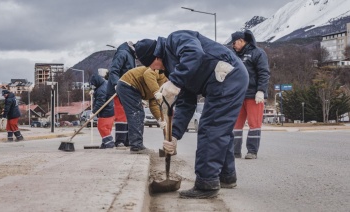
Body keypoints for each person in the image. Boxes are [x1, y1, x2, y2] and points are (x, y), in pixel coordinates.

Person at [134, 30, 249, 199]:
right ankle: (226, 176)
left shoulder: (175, 39)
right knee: (220, 128)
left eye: (153, 66)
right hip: (222, 81)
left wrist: (175, 81)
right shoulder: (173, 68)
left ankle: (207, 184)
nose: (156, 70)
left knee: (211, 127)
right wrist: (174, 135)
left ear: (156, 58)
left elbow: (195, 52)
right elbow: (186, 102)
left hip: (228, 76)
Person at [231, 30, 270, 159]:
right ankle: (235, 151)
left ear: (242, 41)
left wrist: (261, 90)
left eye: (235, 42)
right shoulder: (234, 55)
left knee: (254, 124)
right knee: (236, 125)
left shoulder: (258, 53)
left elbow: (264, 73)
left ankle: (252, 151)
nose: (233, 45)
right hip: (238, 95)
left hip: (254, 95)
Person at [116, 66, 167, 154]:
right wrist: (156, 92)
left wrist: (160, 119)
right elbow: (148, 73)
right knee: (136, 114)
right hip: (128, 85)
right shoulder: (163, 72)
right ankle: (136, 146)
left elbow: (154, 103)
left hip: (132, 88)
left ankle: (136, 144)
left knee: (138, 114)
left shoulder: (164, 87)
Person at [105, 41, 136, 148]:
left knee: (127, 115)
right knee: (121, 115)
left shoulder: (130, 55)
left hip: (126, 89)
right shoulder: (123, 53)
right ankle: (120, 141)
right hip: (119, 89)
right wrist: (116, 85)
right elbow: (114, 70)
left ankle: (127, 140)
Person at [89, 74, 115, 149]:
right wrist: (94, 92)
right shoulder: (105, 83)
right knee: (107, 128)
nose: (93, 86)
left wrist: (93, 112)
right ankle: (105, 143)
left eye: (94, 85)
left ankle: (110, 143)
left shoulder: (101, 90)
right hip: (111, 111)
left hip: (106, 112)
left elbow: (100, 102)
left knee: (102, 127)